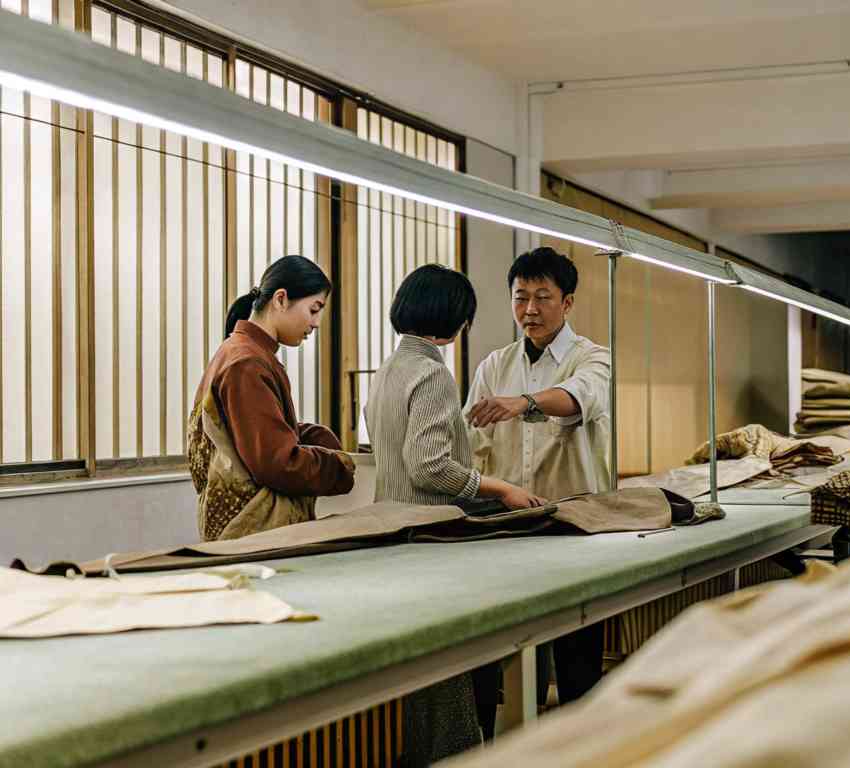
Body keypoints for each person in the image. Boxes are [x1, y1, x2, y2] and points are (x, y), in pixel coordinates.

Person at [365, 264, 544, 765]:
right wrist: (500, 487)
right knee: (448, 680)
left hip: (390, 538)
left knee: (419, 674)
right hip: (430, 542)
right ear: (451, 321)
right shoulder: (432, 372)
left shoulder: (386, 372)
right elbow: (430, 469)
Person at [466, 246, 611, 707]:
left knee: (578, 660)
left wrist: (524, 402)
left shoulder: (595, 358)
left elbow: (579, 398)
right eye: (520, 296)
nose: (529, 310)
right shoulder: (495, 365)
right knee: (512, 652)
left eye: (543, 297)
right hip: (510, 528)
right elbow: (475, 445)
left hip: (577, 527)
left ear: (567, 302)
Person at [188, 255, 355, 542]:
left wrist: (314, 435)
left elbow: (250, 436)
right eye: (314, 309)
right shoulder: (247, 362)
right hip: (253, 524)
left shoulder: (239, 352)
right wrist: (339, 468)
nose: (316, 323)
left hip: (241, 524)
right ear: (280, 299)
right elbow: (277, 463)